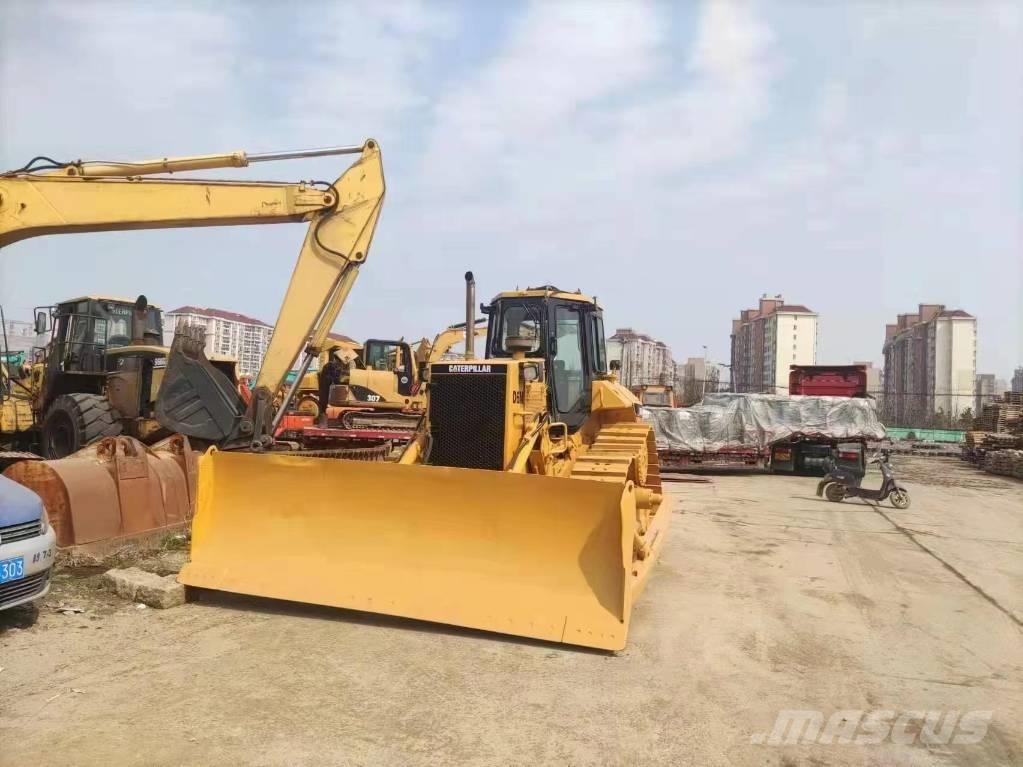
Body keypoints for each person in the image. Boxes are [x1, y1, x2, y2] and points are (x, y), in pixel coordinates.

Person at [317, 351, 344, 427]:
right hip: (325, 388)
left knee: (323, 405)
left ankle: (323, 422)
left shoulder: (330, 365)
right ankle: (323, 423)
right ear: (337, 360)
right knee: (324, 405)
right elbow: (335, 379)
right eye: (339, 361)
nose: (340, 363)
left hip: (325, 388)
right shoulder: (330, 366)